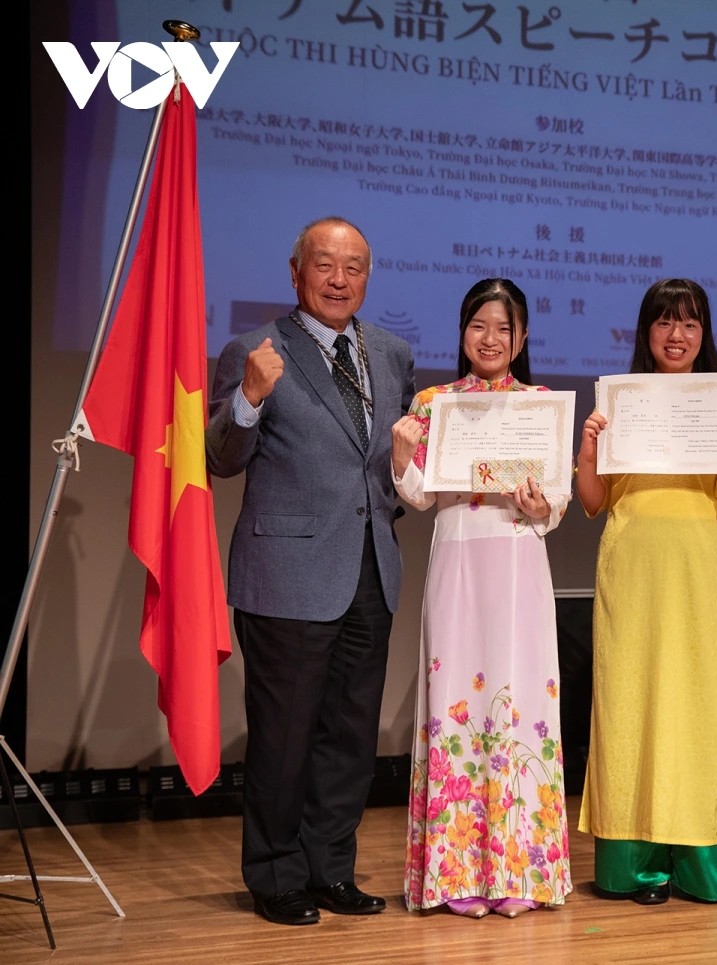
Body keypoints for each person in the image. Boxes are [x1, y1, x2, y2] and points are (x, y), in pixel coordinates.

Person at [206, 216, 416, 926]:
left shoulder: (391, 353)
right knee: (284, 737)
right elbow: (220, 457)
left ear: (367, 278)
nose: (338, 279)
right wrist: (249, 398)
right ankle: (275, 875)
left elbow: (390, 461)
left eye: (353, 267)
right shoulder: (254, 351)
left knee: (350, 739)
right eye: (324, 264)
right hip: (285, 573)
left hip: (370, 568)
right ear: (296, 272)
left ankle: (331, 870)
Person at [574, 278, 717, 905]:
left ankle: (695, 864)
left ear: (704, 333)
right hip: (631, 571)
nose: (676, 335)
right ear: (646, 331)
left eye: (689, 323)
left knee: (692, 710)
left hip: (695, 572)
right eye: (664, 322)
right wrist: (589, 446)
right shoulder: (621, 401)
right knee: (629, 708)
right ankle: (634, 867)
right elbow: (593, 501)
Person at [392, 278, 573, 919]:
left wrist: (540, 504)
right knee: (456, 701)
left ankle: (520, 870)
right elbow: (419, 495)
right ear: (462, 332)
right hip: (458, 558)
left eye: (504, 328)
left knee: (522, 703)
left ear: (521, 339)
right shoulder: (434, 403)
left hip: (519, 560)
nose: (490, 339)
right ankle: (457, 872)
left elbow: (556, 499)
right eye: (479, 326)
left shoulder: (540, 405)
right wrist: (402, 454)